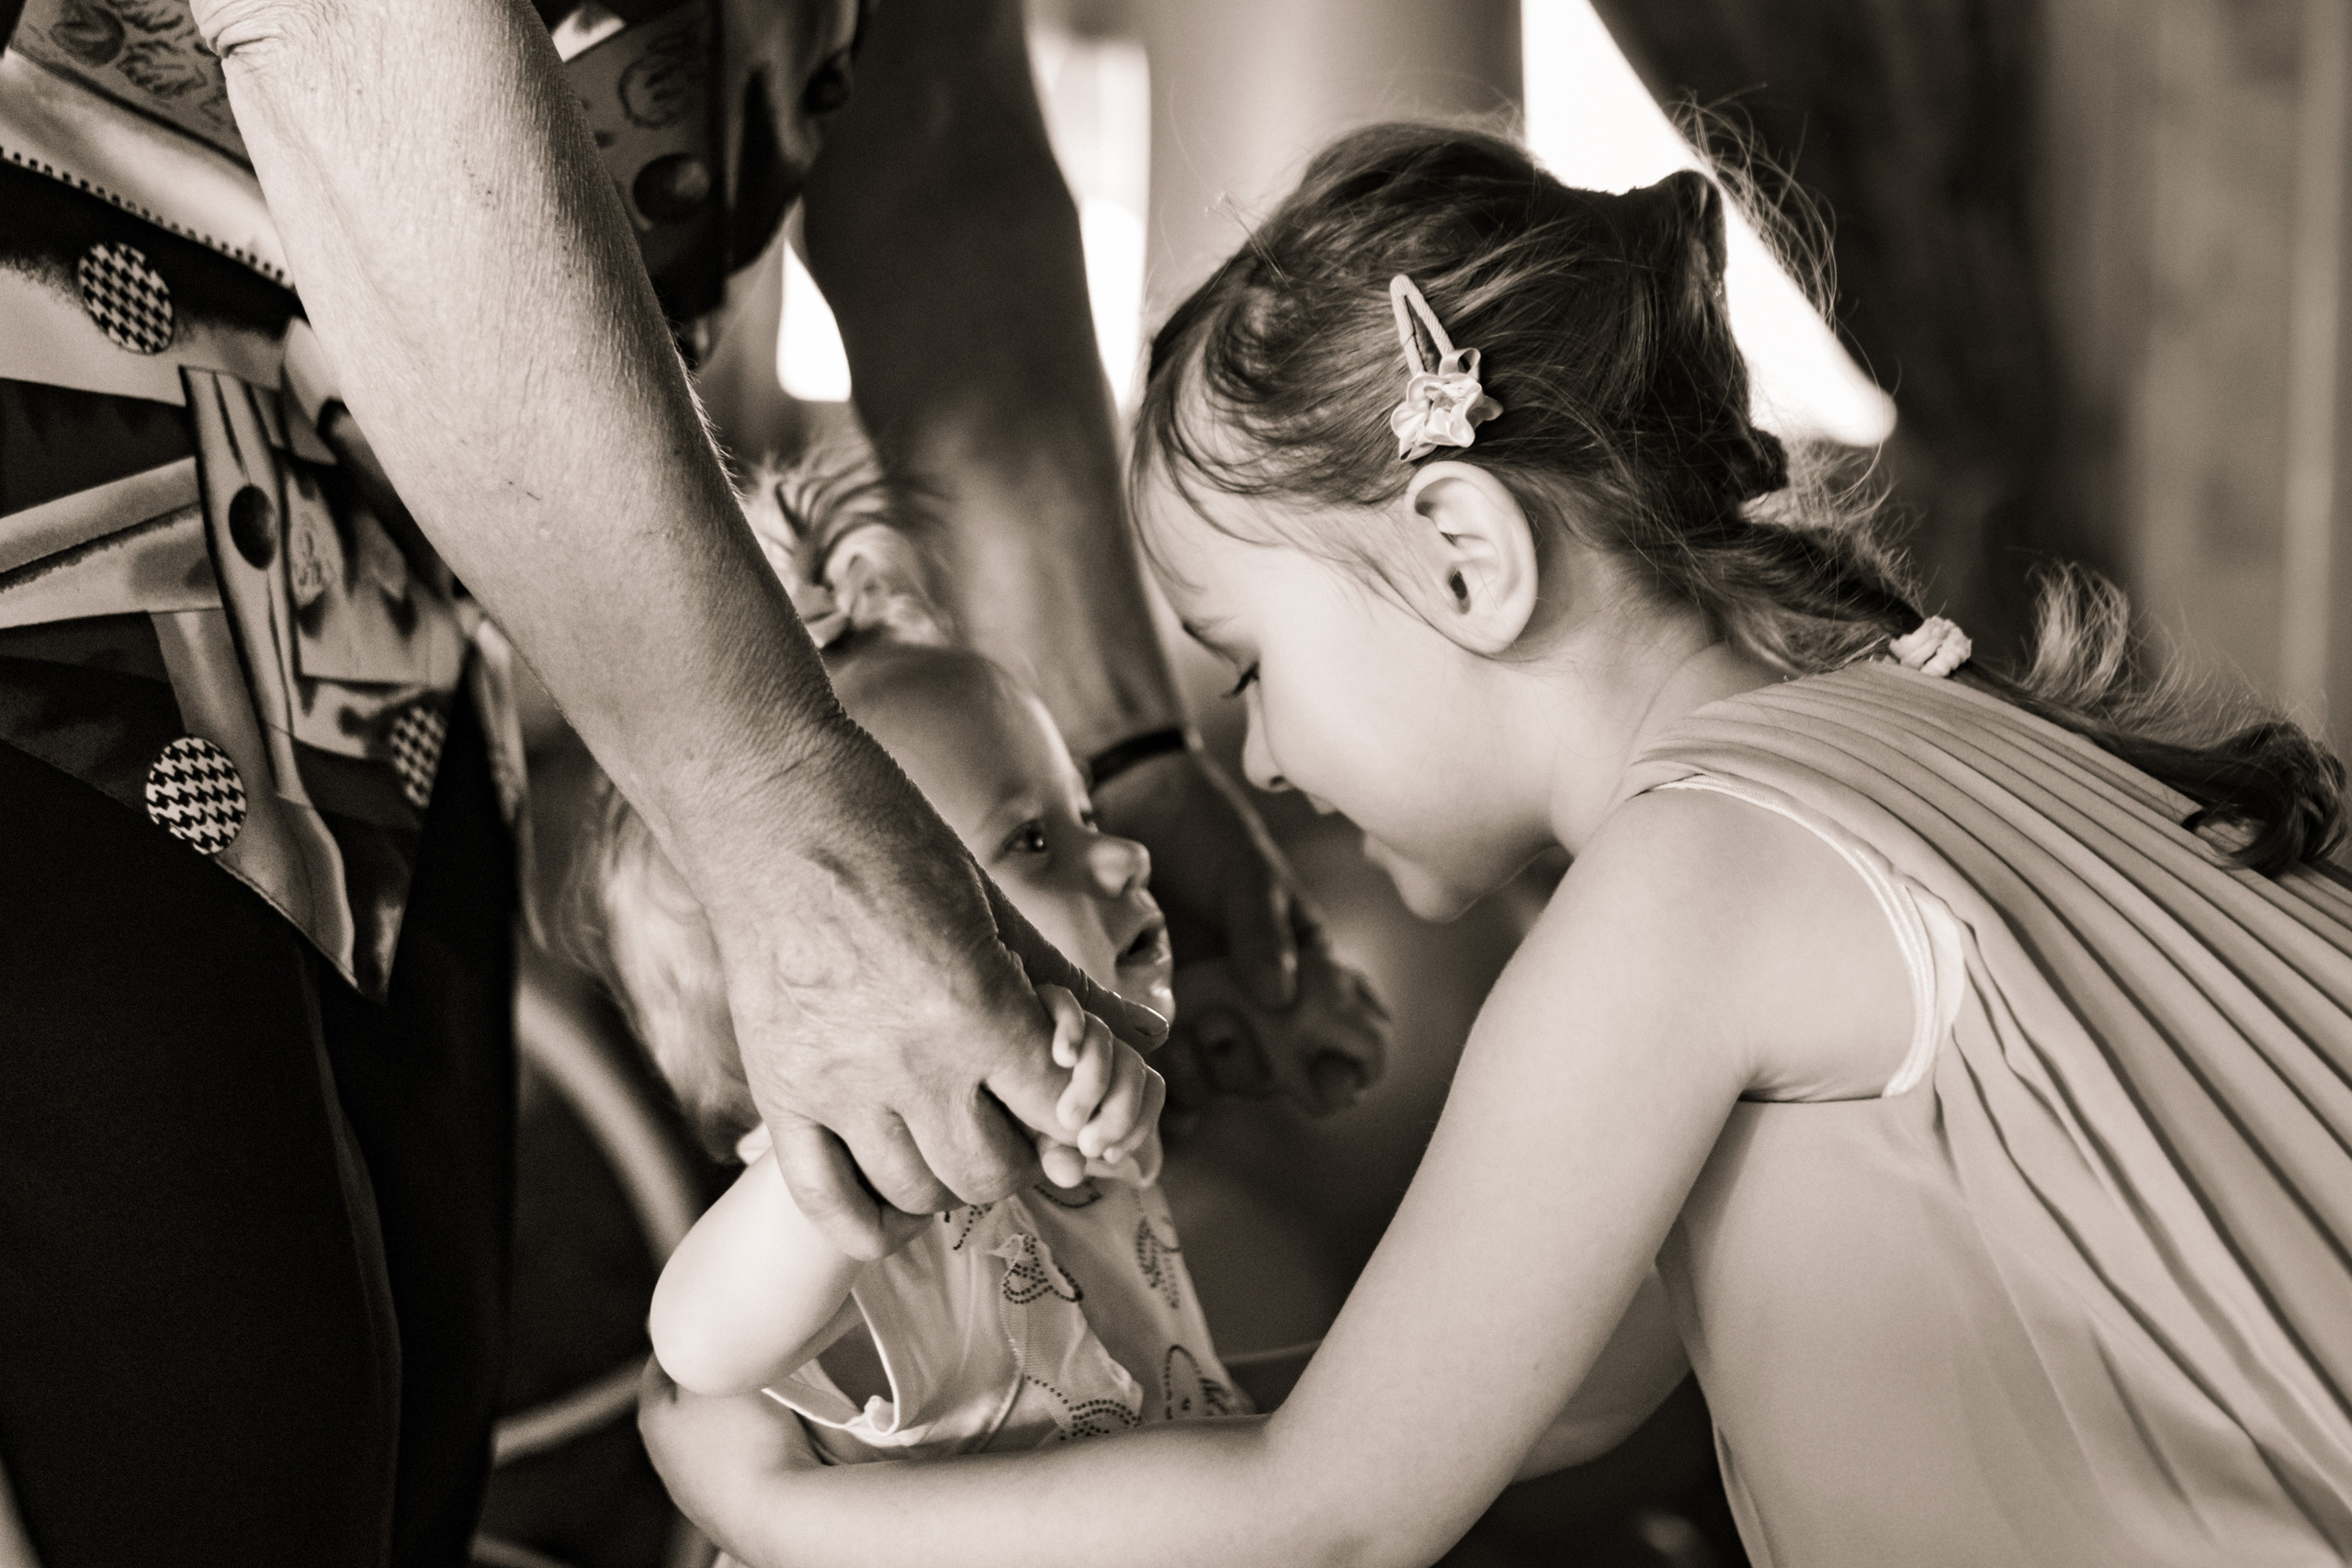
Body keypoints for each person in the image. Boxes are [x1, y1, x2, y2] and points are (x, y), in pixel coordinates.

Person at [640, 125, 2352, 1568]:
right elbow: (1537, 1388)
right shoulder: (1931, 720)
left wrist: (795, 1510)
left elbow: (1333, 1511)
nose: (1258, 753)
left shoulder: (1689, 887)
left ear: (1465, 552)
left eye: (1248, 659)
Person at [0, 0, 1165, 1562]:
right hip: (55, 487)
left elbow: (932, 132)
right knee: (206, 1448)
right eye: (1026, 834)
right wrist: (766, 797)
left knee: (387, 1433)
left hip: (413, 583)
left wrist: (1129, 749)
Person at [588, 446, 1246, 1485]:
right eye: (1032, 841)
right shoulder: (859, 1182)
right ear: (827, 965)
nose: (1121, 854)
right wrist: (842, 1172)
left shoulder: (1098, 1153)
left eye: (1083, 814)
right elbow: (700, 1344)